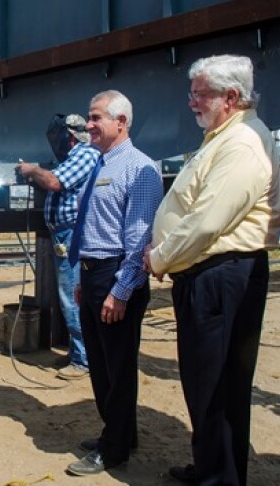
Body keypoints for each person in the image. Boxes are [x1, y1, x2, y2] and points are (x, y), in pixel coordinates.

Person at [144, 55, 280, 485]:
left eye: (200, 94)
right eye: (193, 93)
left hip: (223, 277)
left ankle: (219, 478)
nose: (192, 102)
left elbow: (206, 222)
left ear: (232, 97)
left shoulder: (241, 144)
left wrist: (160, 257)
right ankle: (211, 467)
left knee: (218, 388)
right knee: (207, 384)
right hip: (210, 276)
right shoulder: (222, 138)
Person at [65, 90, 163, 476]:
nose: (88, 125)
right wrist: (81, 279)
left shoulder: (139, 168)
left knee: (118, 368)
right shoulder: (101, 165)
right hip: (92, 275)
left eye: (95, 118)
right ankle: (120, 432)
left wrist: (120, 291)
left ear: (121, 122)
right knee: (102, 367)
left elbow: (139, 238)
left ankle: (115, 449)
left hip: (116, 275)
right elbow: (92, 227)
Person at [16, 114, 98, 379]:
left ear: (70, 137)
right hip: (63, 234)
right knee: (69, 294)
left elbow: (54, 182)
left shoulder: (84, 155)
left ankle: (83, 359)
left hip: (72, 234)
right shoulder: (73, 158)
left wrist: (32, 170)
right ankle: (79, 354)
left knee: (70, 295)